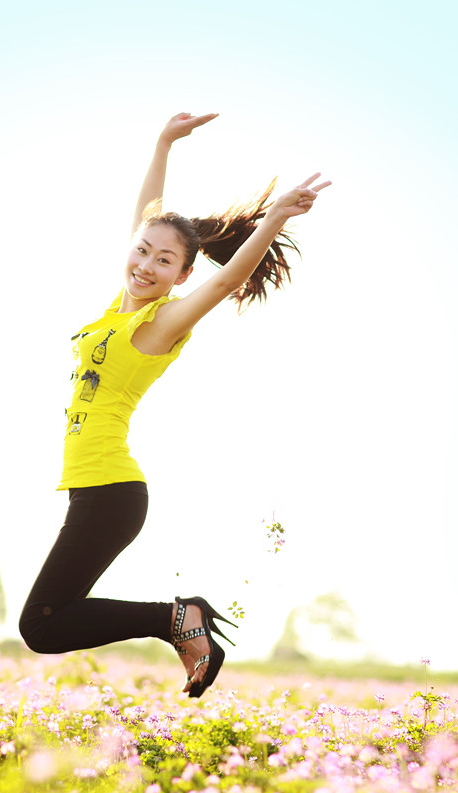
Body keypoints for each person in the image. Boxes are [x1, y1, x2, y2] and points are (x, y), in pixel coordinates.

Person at [19, 112, 330, 697]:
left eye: (164, 261)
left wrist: (273, 219)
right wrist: (163, 142)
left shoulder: (161, 322)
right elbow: (149, 214)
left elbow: (223, 282)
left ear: (182, 273)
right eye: (142, 252)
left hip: (111, 492)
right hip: (95, 490)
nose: (146, 265)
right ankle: (175, 619)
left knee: (40, 626)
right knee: (46, 622)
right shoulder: (122, 309)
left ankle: (176, 619)